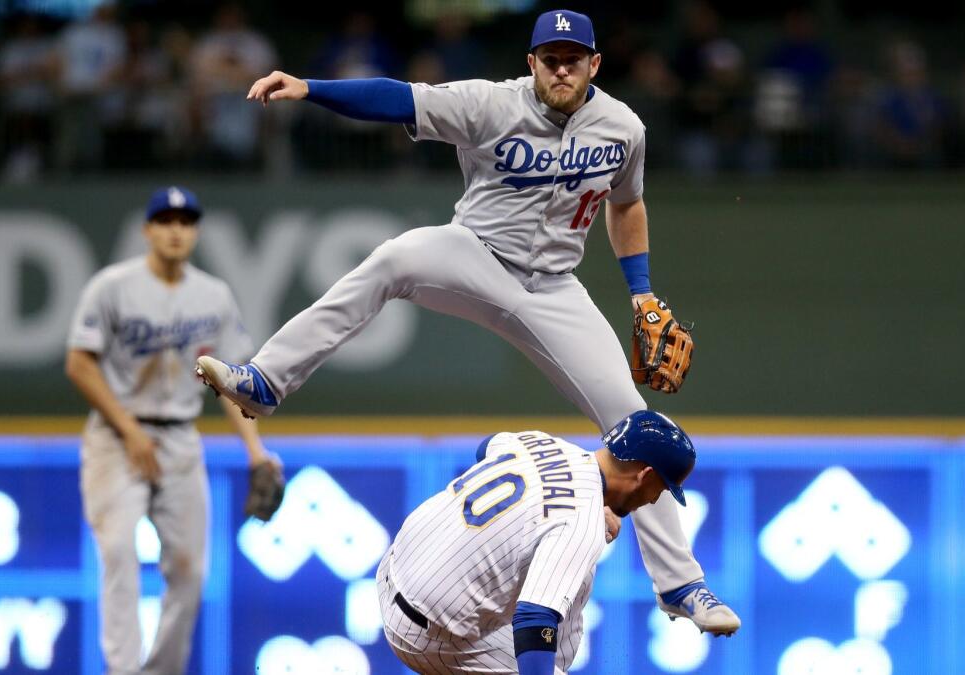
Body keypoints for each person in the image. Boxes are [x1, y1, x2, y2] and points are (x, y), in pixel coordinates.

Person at [195, 8, 740, 634]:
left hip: (555, 288)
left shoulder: (623, 127)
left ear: (596, 64)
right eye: (550, 59)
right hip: (475, 254)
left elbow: (628, 203)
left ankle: (682, 586)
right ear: (530, 63)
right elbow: (398, 99)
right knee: (395, 257)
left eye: (574, 59)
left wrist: (641, 293)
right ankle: (266, 380)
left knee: (637, 427)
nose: (562, 69)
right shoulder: (488, 104)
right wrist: (311, 88)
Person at [65, 186, 278, 674]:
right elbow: (79, 364)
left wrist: (255, 452)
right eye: (165, 221)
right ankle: (122, 669)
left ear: (195, 231)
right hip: (116, 439)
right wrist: (129, 431)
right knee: (118, 550)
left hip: (181, 438)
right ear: (147, 230)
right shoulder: (112, 286)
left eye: (185, 222)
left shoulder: (214, 295)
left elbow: (232, 382)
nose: (176, 230)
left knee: (190, 569)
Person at [378, 410, 714, 674]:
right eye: (663, 488)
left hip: (394, 567)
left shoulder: (544, 443)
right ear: (646, 475)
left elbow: (487, 447)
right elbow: (534, 621)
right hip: (425, 637)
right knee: (569, 584)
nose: (656, 499)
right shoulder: (580, 522)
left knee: (542, 556)